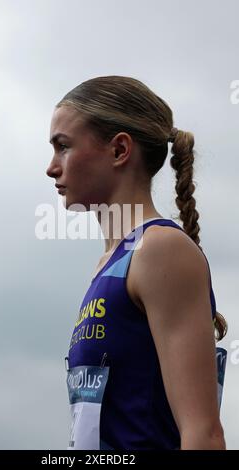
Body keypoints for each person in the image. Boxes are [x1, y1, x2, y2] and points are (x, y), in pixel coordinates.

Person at [46, 75, 227, 450]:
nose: (51, 167)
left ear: (119, 150)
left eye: (63, 146)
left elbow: (204, 434)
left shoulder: (159, 250)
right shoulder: (108, 264)